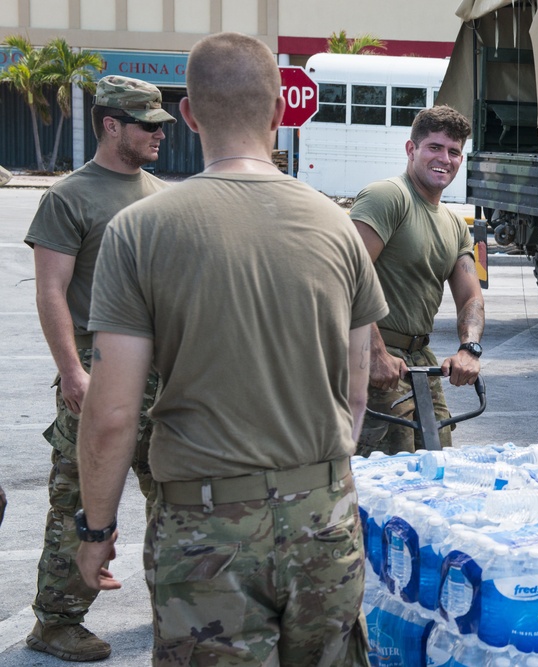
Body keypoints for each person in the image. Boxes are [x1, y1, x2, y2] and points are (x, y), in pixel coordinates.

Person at [74, 32, 386, 666]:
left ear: (188, 114)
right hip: (324, 520)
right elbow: (357, 393)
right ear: (277, 112)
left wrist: (97, 529)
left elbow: (111, 416)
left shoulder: (140, 229)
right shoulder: (337, 224)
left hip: (204, 530)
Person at [22, 74, 175, 662]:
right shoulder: (69, 197)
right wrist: (72, 371)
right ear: (112, 125)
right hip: (96, 365)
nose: (160, 135)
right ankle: (56, 621)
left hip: (158, 369)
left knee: (172, 493)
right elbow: (52, 292)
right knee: (79, 500)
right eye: (148, 125)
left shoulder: (160, 193)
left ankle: (174, 608)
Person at [351, 105, 485, 456]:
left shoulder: (455, 225)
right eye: (435, 148)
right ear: (412, 150)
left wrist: (469, 349)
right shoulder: (388, 197)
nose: (445, 159)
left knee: (434, 465)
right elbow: (345, 274)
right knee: (375, 476)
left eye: (454, 151)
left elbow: (470, 297)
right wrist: (374, 352)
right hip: (371, 353)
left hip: (418, 360)